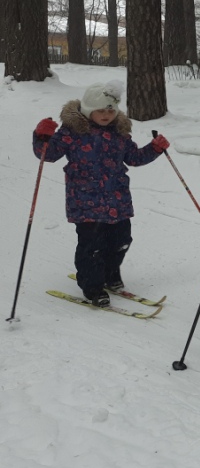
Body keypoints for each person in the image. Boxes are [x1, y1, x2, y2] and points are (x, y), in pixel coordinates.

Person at [31, 81, 170, 307]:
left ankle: (109, 273)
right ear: (88, 110)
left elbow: (134, 158)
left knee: (121, 241)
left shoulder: (120, 133)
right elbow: (48, 154)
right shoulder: (72, 132)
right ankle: (92, 286)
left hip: (117, 200)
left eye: (111, 111)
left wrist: (154, 148)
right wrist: (41, 137)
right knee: (92, 246)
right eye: (101, 110)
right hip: (85, 201)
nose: (106, 115)